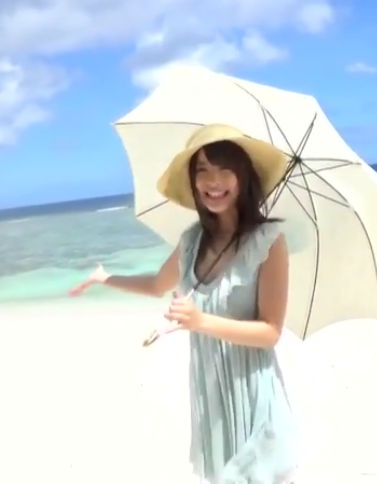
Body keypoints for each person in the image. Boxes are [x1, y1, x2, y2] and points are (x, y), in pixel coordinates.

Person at [70, 123, 298, 483]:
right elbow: (156, 284)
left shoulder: (269, 240)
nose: (213, 181)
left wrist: (199, 320)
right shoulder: (193, 240)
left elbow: (270, 332)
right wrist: (105, 278)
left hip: (252, 390)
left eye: (225, 169)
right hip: (211, 393)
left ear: (243, 177)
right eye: (202, 170)